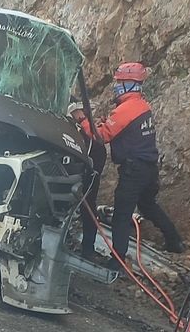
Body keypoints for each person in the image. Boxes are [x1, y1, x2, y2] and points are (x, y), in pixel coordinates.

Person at [79, 62, 184, 272]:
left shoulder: (127, 109)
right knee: (148, 206)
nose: (116, 86)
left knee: (121, 215)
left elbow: (102, 137)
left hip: (133, 170)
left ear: (130, 84)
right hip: (148, 167)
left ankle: (117, 261)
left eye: (120, 82)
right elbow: (123, 130)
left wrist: (82, 120)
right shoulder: (142, 106)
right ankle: (175, 241)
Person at [68, 101, 107, 261]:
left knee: (87, 203)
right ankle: (86, 248)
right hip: (80, 154)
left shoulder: (83, 123)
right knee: (86, 204)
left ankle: (87, 249)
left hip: (91, 158)